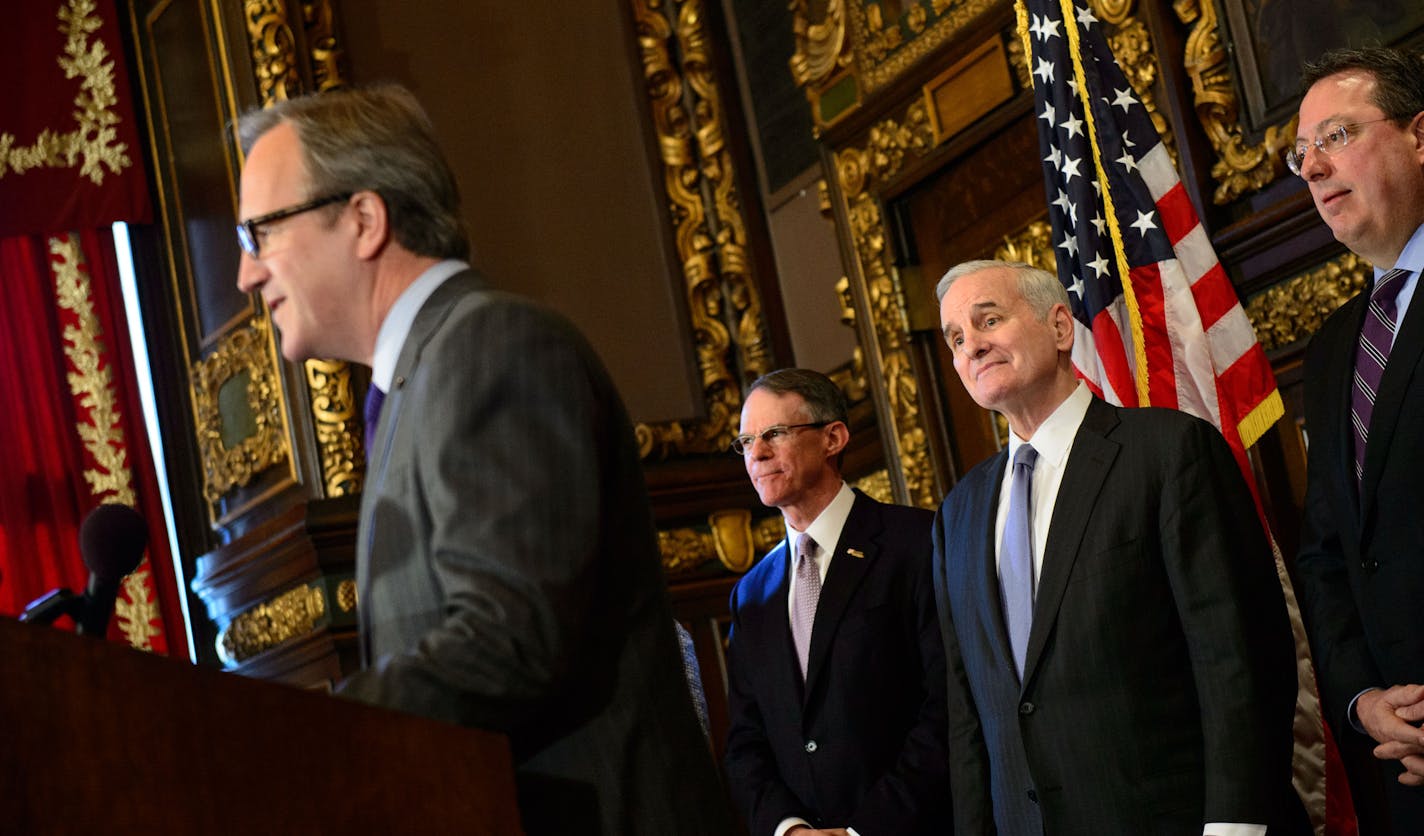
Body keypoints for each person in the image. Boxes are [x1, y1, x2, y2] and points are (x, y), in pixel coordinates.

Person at [233, 84, 732, 835]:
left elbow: (509, 636)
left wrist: (302, 740)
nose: (248, 274)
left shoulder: (494, 346)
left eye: (261, 234)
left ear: (364, 220)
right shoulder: (418, 384)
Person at [931, 260, 1305, 834]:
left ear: (1060, 329)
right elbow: (968, 717)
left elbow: (1240, 654)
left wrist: (1236, 824)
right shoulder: (957, 514)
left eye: (989, 321)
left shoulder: (1168, 452)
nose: (972, 347)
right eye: (956, 338)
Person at [722, 368, 949, 836]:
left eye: (774, 434)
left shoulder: (916, 543)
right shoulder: (752, 595)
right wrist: (790, 828)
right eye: (745, 442)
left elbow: (947, 708)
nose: (757, 454)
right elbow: (746, 742)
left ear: (833, 438)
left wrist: (860, 831)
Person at [1292, 45, 1424, 832]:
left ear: (1418, 135)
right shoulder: (1336, 345)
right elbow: (1328, 553)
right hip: (1398, 768)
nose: (1311, 168)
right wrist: (1362, 698)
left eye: (1336, 136)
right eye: (1301, 151)